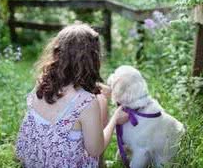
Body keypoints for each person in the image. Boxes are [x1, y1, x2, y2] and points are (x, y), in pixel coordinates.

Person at [16, 23, 129, 167]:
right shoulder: (86, 102)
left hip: (34, 162)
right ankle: (101, 165)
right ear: (92, 59)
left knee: (99, 98)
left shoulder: (42, 84)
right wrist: (114, 120)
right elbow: (95, 150)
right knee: (100, 100)